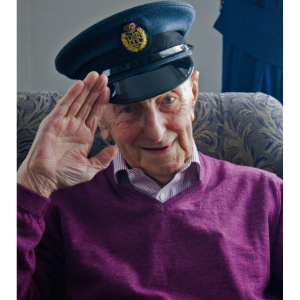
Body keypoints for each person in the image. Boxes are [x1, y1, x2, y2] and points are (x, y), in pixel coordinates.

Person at [17, 2, 283, 299]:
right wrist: (31, 184)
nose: (155, 132)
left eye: (168, 101)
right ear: (102, 121)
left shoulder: (269, 195)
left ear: (193, 94)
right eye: (129, 109)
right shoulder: (58, 207)